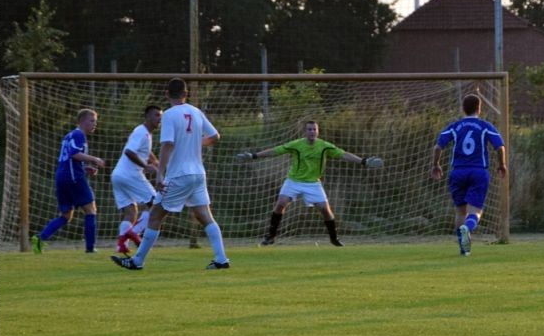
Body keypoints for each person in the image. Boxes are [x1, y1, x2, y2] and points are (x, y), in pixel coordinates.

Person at [110, 78, 229, 270]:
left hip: (179, 175)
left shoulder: (169, 115)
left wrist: (160, 174)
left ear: (167, 94)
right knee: (204, 215)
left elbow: (167, 145)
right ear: (186, 93)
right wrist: (195, 144)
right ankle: (221, 259)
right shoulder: (196, 111)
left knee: (156, 214)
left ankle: (137, 261)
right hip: (198, 173)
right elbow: (215, 136)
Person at [237, 121, 383, 247]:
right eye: (309, 129)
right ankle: (270, 236)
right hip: (293, 180)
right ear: (305, 132)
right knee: (281, 203)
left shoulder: (324, 146)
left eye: (314, 129)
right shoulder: (296, 144)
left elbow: (344, 154)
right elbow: (275, 151)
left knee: (325, 210)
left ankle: (334, 239)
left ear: (318, 131)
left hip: (313, 183)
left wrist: (364, 161)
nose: (312, 131)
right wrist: (254, 155)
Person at [430, 93, 507, 256]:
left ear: (463, 109)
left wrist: (435, 165)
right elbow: (500, 147)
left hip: (457, 172)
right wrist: (502, 165)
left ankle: (463, 248)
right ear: (479, 108)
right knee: (475, 212)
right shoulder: (485, 126)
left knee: (460, 211)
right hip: (478, 171)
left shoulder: (455, 126)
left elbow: (437, 147)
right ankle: (468, 228)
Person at [31, 109, 105, 253]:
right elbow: (74, 154)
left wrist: (86, 168)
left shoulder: (69, 135)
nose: (94, 124)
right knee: (91, 210)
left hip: (62, 177)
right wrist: (95, 159)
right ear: (82, 121)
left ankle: (40, 238)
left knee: (66, 216)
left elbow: (69, 159)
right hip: (73, 177)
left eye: (95, 121)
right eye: (92, 121)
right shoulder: (79, 134)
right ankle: (90, 249)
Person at [111, 105, 162, 255]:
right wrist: (146, 166)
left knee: (130, 212)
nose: (159, 119)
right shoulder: (142, 132)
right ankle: (132, 233)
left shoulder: (144, 133)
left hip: (118, 176)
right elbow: (129, 152)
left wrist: (157, 162)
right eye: (156, 115)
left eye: (160, 116)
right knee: (156, 204)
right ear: (147, 117)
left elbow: (145, 150)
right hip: (130, 175)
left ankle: (122, 245)